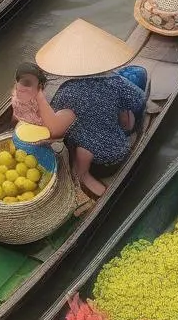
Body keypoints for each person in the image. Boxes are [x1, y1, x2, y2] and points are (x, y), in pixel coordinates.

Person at [32, 18, 147, 197]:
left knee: (77, 131)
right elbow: (139, 101)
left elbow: (55, 130)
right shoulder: (116, 82)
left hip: (93, 160)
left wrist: (39, 96)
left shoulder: (67, 92)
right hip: (119, 152)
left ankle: (81, 177)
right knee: (125, 108)